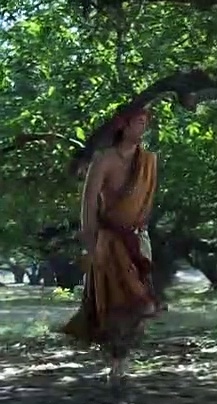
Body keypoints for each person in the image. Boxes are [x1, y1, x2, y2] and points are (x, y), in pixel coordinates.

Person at [59, 107, 160, 387]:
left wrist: (141, 237)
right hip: (109, 242)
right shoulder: (103, 160)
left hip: (137, 241)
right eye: (138, 122)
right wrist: (90, 243)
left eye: (145, 123)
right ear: (122, 126)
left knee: (142, 305)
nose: (142, 128)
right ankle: (116, 364)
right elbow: (88, 205)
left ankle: (121, 359)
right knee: (113, 304)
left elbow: (146, 204)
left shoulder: (149, 161)